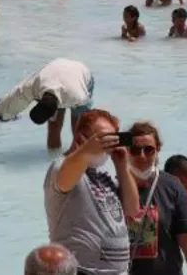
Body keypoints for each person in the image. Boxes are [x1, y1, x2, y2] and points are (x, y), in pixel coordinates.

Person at [44, 109, 139, 275]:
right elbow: (65, 179)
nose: (107, 146)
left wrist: (122, 167)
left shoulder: (104, 176)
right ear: (81, 137)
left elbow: (133, 210)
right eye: (102, 139)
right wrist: (86, 151)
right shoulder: (61, 168)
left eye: (112, 140)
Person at [126, 122, 187, 275]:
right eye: (135, 150)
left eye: (148, 149)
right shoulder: (115, 186)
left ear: (157, 150)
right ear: (127, 151)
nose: (142, 155)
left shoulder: (173, 187)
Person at [0, 58, 94, 149]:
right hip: (57, 66)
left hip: (81, 74)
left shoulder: (79, 96)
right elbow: (7, 103)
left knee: (78, 130)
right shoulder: (32, 86)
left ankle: (83, 167)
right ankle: (52, 160)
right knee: (54, 127)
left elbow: (88, 118)